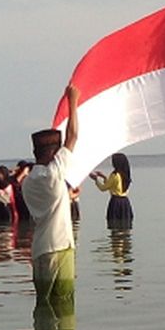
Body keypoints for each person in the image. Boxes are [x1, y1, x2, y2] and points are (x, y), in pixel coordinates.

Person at [21, 85, 80, 307]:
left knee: (43, 307)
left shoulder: (27, 182)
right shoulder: (54, 174)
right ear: (54, 154)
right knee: (64, 306)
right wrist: (73, 100)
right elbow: (73, 136)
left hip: (39, 251)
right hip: (60, 246)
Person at [90, 153, 134, 229]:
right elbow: (114, 186)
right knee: (125, 225)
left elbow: (103, 188)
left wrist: (96, 180)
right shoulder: (126, 175)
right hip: (125, 202)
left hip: (115, 202)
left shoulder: (114, 175)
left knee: (114, 225)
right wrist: (104, 177)